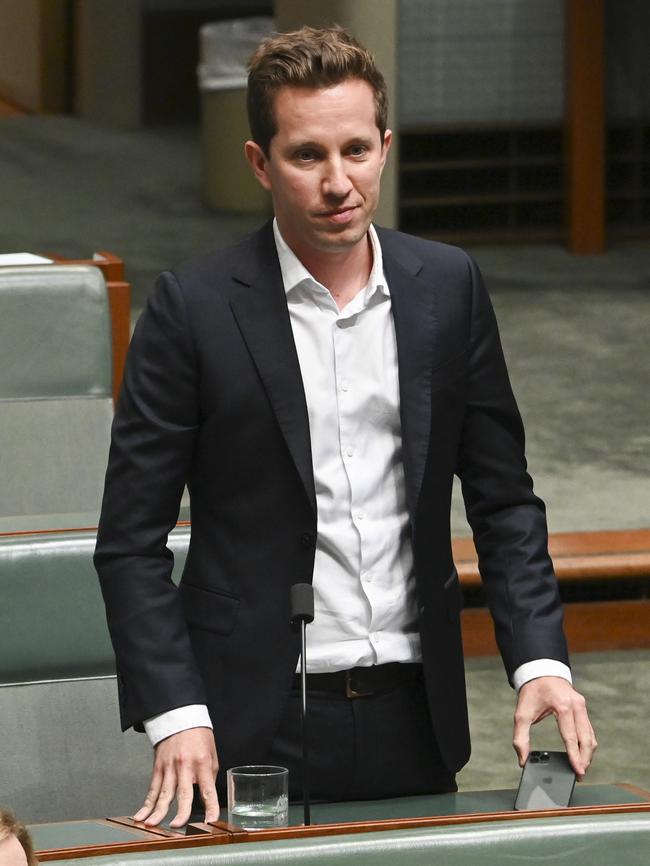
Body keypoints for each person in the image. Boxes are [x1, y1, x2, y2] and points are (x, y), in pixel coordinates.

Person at [94, 25, 596, 828]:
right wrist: (177, 710)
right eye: (307, 157)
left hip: (415, 705)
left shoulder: (448, 286)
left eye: (357, 150)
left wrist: (539, 661)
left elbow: (503, 501)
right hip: (250, 720)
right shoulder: (192, 310)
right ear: (261, 162)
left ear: (386, 146)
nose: (339, 183)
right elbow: (128, 543)